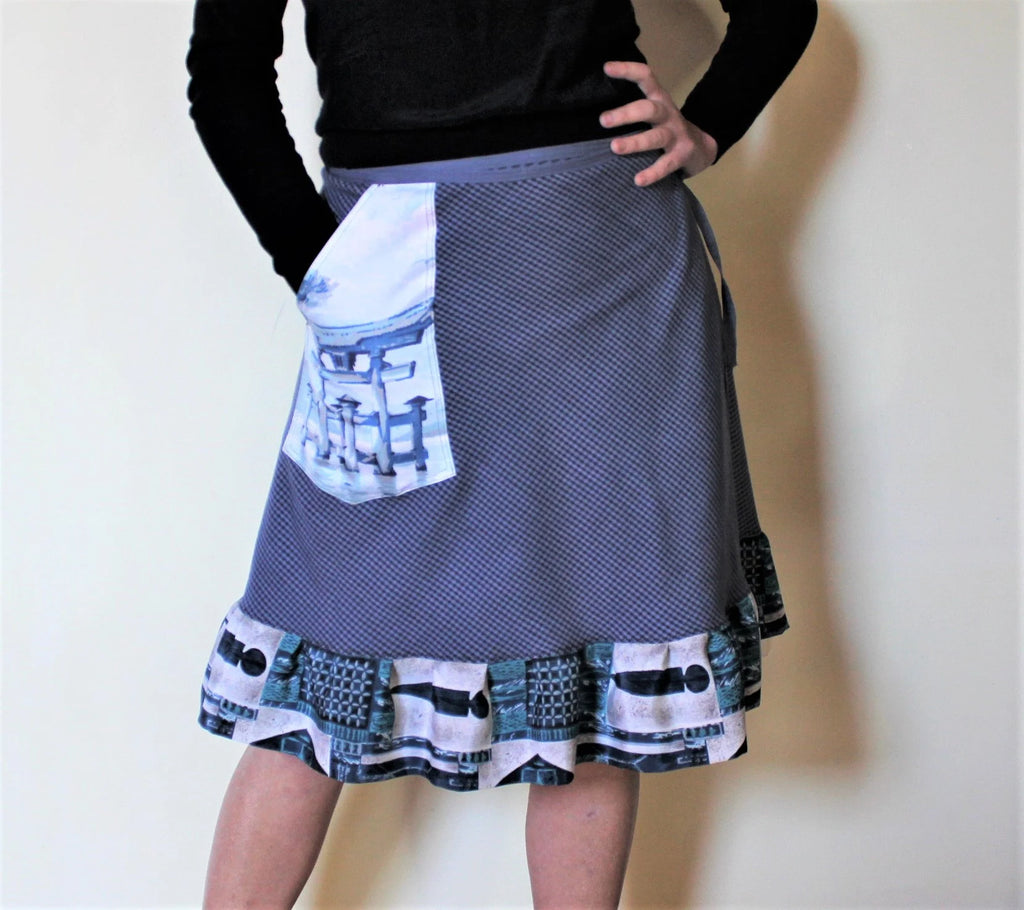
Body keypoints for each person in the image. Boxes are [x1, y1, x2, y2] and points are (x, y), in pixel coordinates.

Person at [186, 2, 817, 907]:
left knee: (596, 651)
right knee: (320, 645)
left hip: (602, 261)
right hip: (390, 269)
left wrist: (710, 124)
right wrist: (320, 266)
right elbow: (226, 74)